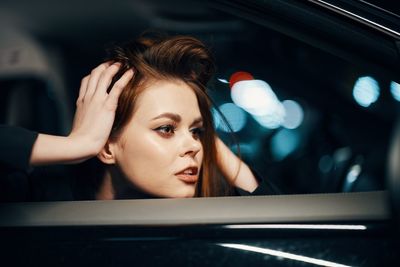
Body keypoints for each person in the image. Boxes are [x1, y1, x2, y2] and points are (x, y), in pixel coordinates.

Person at [0, 33, 278, 201]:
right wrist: (76, 145)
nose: (194, 146)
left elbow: (280, 225)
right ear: (107, 146)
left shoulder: (197, 216)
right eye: (167, 128)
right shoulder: (35, 198)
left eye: (197, 132)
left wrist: (202, 132)